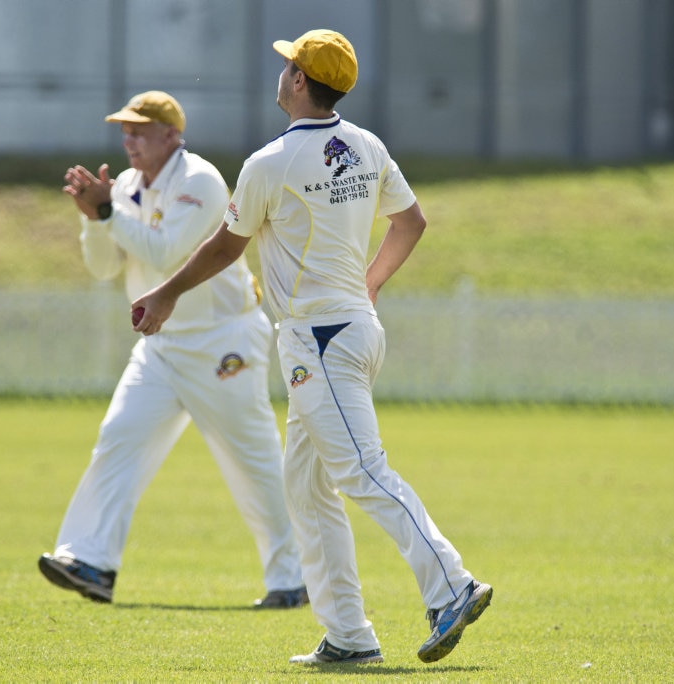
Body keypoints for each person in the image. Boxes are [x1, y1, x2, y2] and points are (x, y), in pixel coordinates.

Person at [131, 32, 492, 664]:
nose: (281, 71)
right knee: (306, 486)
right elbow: (411, 223)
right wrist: (370, 285)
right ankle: (349, 636)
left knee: (359, 470)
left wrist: (163, 294)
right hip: (346, 330)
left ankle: (452, 586)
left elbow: (226, 246)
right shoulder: (367, 145)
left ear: (300, 81)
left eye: (288, 64)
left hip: (319, 340)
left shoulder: (269, 163)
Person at [37, 91, 307, 610]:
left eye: (140, 130)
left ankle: (293, 580)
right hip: (160, 344)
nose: (129, 140)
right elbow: (103, 268)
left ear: (172, 135)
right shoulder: (130, 186)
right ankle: (91, 562)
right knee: (119, 436)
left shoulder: (200, 180)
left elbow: (165, 253)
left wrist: (109, 212)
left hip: (222, 342)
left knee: (252, 463)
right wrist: (94, 218)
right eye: (125, 131)